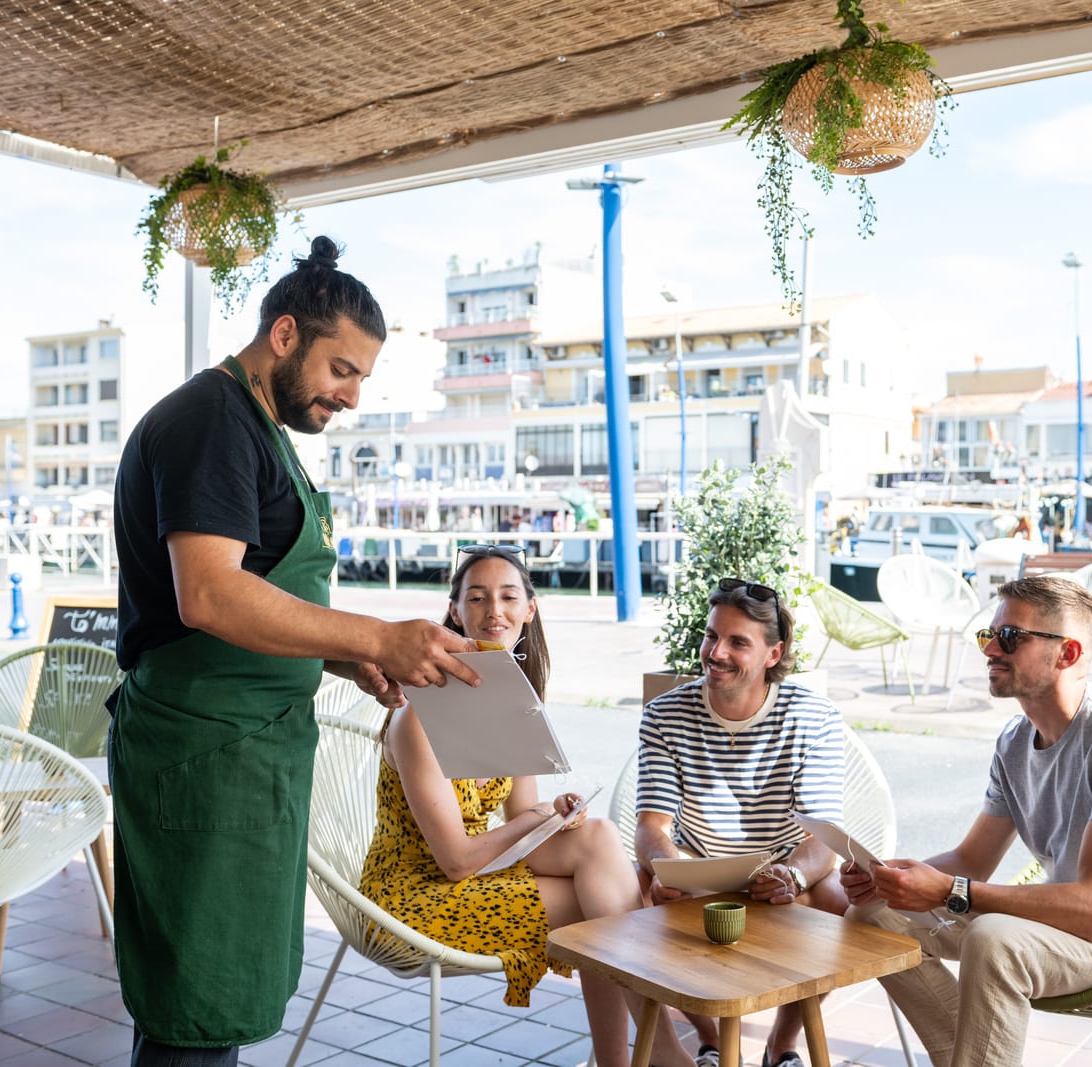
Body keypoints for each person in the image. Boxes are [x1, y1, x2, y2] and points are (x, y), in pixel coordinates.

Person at [108, 236, 481, 1066]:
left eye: (361, 379)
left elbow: (258, 596)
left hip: (242, 754)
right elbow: (209, 593)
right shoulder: (212, 420)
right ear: (285, 335)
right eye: (341, 370)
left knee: (214, 996)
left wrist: (340, 659)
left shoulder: (255, 425)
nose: (348, 396)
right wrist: (376, 634)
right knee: (194, 1007)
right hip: (201, 754)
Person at [842, 575, 1092, 1067]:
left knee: (995, 941)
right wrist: (891, 878)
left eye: (1010, 637)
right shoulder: (1016, 739)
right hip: (1067, 924)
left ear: (1068, 653)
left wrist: (951, 890)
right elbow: (972, 860)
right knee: (874, 918)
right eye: (987, 635)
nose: (990, 648)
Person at [361, 545, 696, 1067]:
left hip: (469, 877)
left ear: (529, 610)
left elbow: (523, 818)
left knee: (598, 838)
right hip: (410, 898)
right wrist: (536, 820)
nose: (495, 611)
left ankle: (643, 1057)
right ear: (456, 612)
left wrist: (556, 816)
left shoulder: (514, 702)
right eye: (477, 597)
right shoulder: (420, 715)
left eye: (508, 596)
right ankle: (660, 1055)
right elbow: (455, 861)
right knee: (601, 907)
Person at [636, 579, 846, 1067]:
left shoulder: (813, 717)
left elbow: (822, 838)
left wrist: (792, 875)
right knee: (634, 892)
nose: (716, 652)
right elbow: (652, 827)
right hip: (697, 872)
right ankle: (710, 1040)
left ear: (774, 654)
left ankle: (782, 1043)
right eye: (712, 636)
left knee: (838, 901)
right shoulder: (666, 714)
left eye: (737, 642)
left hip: (781, 873)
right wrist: (670, 870)